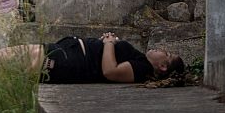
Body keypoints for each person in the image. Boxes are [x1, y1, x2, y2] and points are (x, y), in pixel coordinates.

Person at [14, 32, 184, 84]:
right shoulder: (140, 59)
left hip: (72, 61)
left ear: (162, 66)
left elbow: (110, 71)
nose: (162, 49)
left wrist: (109, 43)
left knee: (7, 61)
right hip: (69, 51)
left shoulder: (143, 68)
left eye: (167, 54)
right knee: (6, 57)